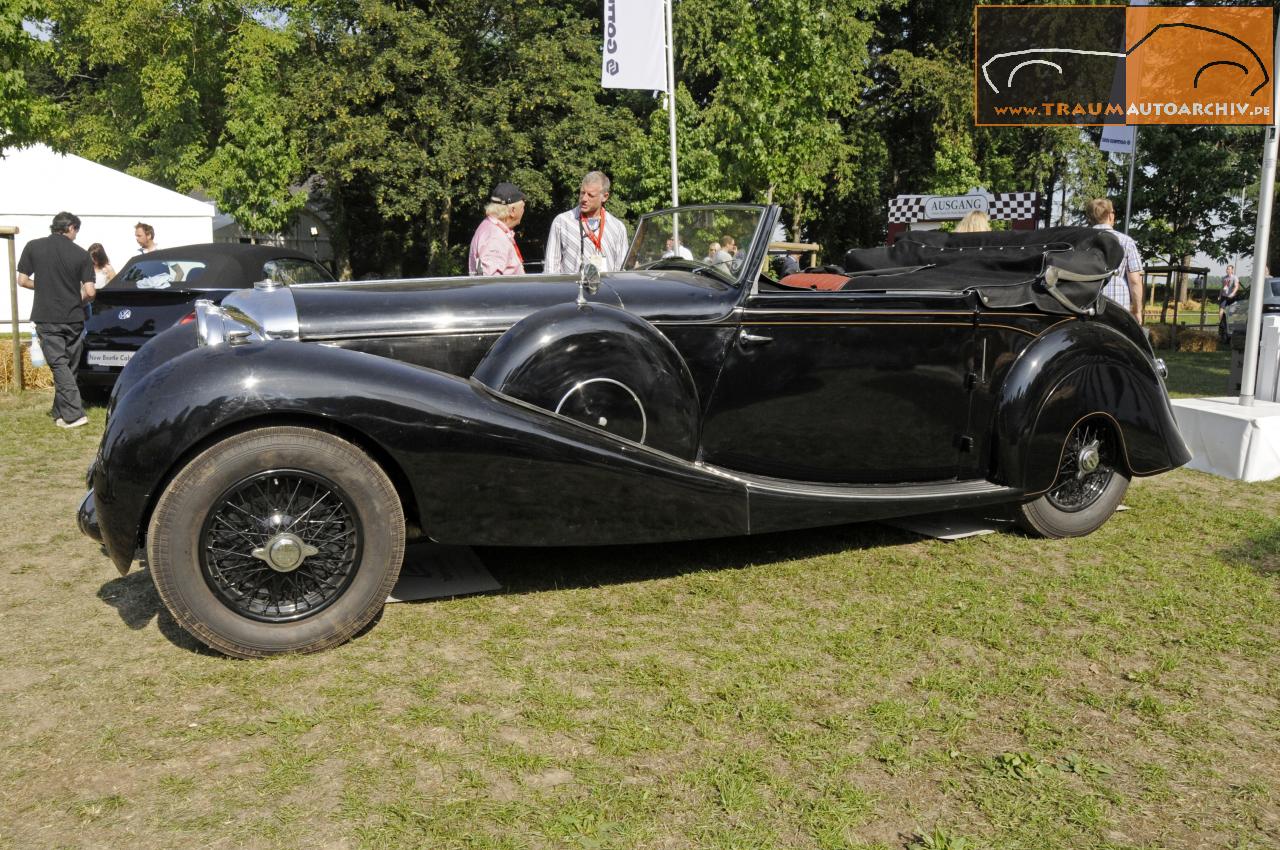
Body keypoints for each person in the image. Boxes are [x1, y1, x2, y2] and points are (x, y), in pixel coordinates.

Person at [16, 211, 96, 428]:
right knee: (69, 365)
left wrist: (44, 287)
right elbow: (90, 292)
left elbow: (22, 280)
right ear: (71, 227)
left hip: (47, 315)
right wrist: (73, 297)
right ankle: (60, 412)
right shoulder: (81, 254)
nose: (76, 235)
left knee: (59, 365)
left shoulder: (33, 246)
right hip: (74, 317)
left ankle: (73, 415)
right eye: (76, 231)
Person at [544, 171, 629, 274]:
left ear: (605, 197)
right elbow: (550, 268)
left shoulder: (618, 227)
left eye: (591, 195)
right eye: (582, 193)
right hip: (571, 289)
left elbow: (622, 271)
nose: (584, 198)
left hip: (606, 288)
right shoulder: (562, 222)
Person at [1085, 198, 1143, 323]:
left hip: (1087, 306)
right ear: (1111, 216)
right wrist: (1137, 311)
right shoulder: (1126, 241)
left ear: (1090, 218)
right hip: (1118, 307)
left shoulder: (1081, 241)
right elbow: (1135, 281)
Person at [468, 182, 526, 276]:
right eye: (523, 207)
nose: (523, 210)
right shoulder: (494, 238)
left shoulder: (490, 228)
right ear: (512, 211)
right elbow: (490, 285)